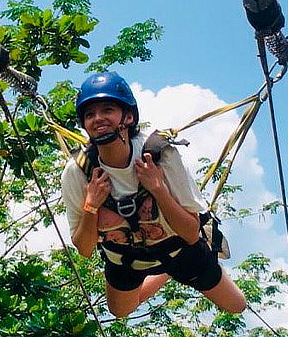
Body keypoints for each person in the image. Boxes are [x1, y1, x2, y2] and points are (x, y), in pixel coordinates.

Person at [61, 72, 246, 318]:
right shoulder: (77, 173)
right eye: (90, 114)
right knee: (120, 311)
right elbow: (84, 249)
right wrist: (91, 207)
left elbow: (191, 233)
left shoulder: (159, 153)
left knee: (237, 305)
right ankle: (164, 273)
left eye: (108, 110)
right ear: (84, 124)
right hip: (126, 259)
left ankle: (170, 270)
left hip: (181, 250)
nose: (98, 119)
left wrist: (158, 189)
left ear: (127, 117)